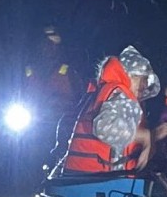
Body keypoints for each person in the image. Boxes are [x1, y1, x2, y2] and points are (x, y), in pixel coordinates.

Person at [60, 45, 160, 174]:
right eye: (140, 77)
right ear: (127, 75)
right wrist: (145, 136)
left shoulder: (103, 92)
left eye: (146, 80)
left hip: (80, 177)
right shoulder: (120, 95)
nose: (145, 84)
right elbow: (104, 128)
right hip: (96, 181)